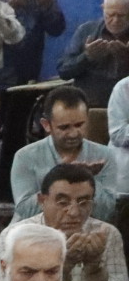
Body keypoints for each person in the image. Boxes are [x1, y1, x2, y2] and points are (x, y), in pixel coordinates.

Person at [9, 87, 120, 224]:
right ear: (46, 125)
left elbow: (106, 212)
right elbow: (26, 211)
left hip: (86, 229)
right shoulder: (25, 156)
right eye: (64, 127)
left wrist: (89, 178)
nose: (73, 133)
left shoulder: (105, 155)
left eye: (79, 125)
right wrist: (60, 176)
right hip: (36, 230)